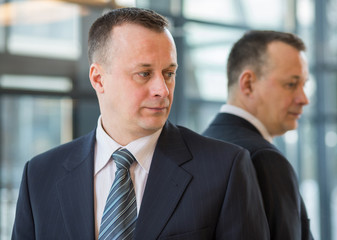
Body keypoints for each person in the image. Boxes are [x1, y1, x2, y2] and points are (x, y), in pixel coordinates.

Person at [12, 8, 270, 240]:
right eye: (144, 74)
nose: (162, 90)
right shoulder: (40, 176)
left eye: (169, 73)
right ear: (99, 79)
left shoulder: (225, 168)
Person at [203, 30, 313, 240]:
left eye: (304, 85)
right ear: (248, 84)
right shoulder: (264, 158)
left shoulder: (199, 146)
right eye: (291, 84)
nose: (304, 98)